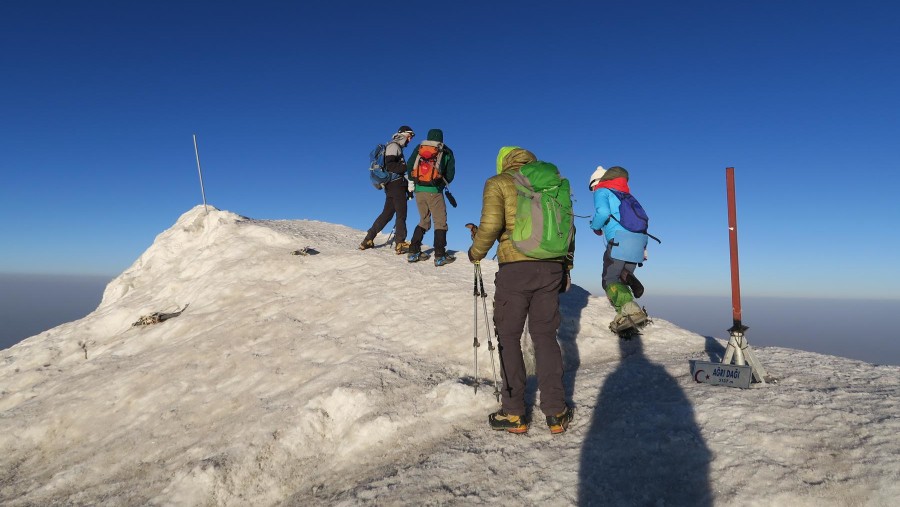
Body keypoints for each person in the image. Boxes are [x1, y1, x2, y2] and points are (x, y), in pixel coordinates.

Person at [467, 146, 575, 435]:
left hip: (515, 269)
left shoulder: (498, 182)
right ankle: (556, 412)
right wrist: (566, 267)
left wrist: (475, 252)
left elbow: (491, 226)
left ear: (504, 161)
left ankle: (514, 412)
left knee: (510, 337)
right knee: (545, 336)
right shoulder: (554, 184)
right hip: (551, 268)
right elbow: (569, 230)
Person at [589, 165, 649, 333]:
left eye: (592, 187)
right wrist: (643, 247)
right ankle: (627, 315)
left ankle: (630, 313)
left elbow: (603, 212)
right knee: (622, 278)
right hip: (638, 242)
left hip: (619, 240)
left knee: (610, 279)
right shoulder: (627, 195)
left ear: (597, 182)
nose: (593, 191)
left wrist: (595, 227)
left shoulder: (602, 191)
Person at [359, 126, 415, 254]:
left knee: (387, 214)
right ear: (403, 134)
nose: (410, 139)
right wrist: (405, 167)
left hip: (391, 186)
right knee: (401, 213)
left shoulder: (394, 146)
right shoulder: (394, 146)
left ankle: (368, 239)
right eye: (410, 135)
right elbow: (391, 165)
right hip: (396, 185)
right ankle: (400, 243)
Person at [406, 128, 456, 266]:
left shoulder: (419, 148)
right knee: (440, 222)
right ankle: (440, 255)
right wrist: (439, 184)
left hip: (419, 191)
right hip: (434, 191)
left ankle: (413, 252)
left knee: (424, 220)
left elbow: (410, 166)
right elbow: (450, 174)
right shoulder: (446, 151)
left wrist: (417, 182)